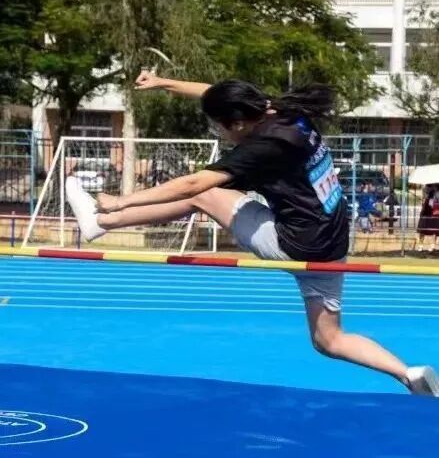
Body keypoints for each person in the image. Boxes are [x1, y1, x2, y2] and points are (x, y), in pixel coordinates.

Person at [66, 71, 439, 396]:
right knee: (329, 339)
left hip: (296, 244)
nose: (219, 132)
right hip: (331, 241)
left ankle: (101, 223)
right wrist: (164, 83)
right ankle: (408, 374)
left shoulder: (266, 146)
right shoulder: (285, 112)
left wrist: (121, 201)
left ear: (238, 123)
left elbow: (193, 184)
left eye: (219, 126)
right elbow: (217, 94)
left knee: (205, 194)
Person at [417, 184, 439, 252]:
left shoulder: (437, 190)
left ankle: (432, 246)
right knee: (422, 228)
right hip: (426, 211)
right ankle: (420, 246)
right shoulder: (426, 187)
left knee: (435, 229)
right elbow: (424, 199)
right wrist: (424, 200)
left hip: (435, 211)